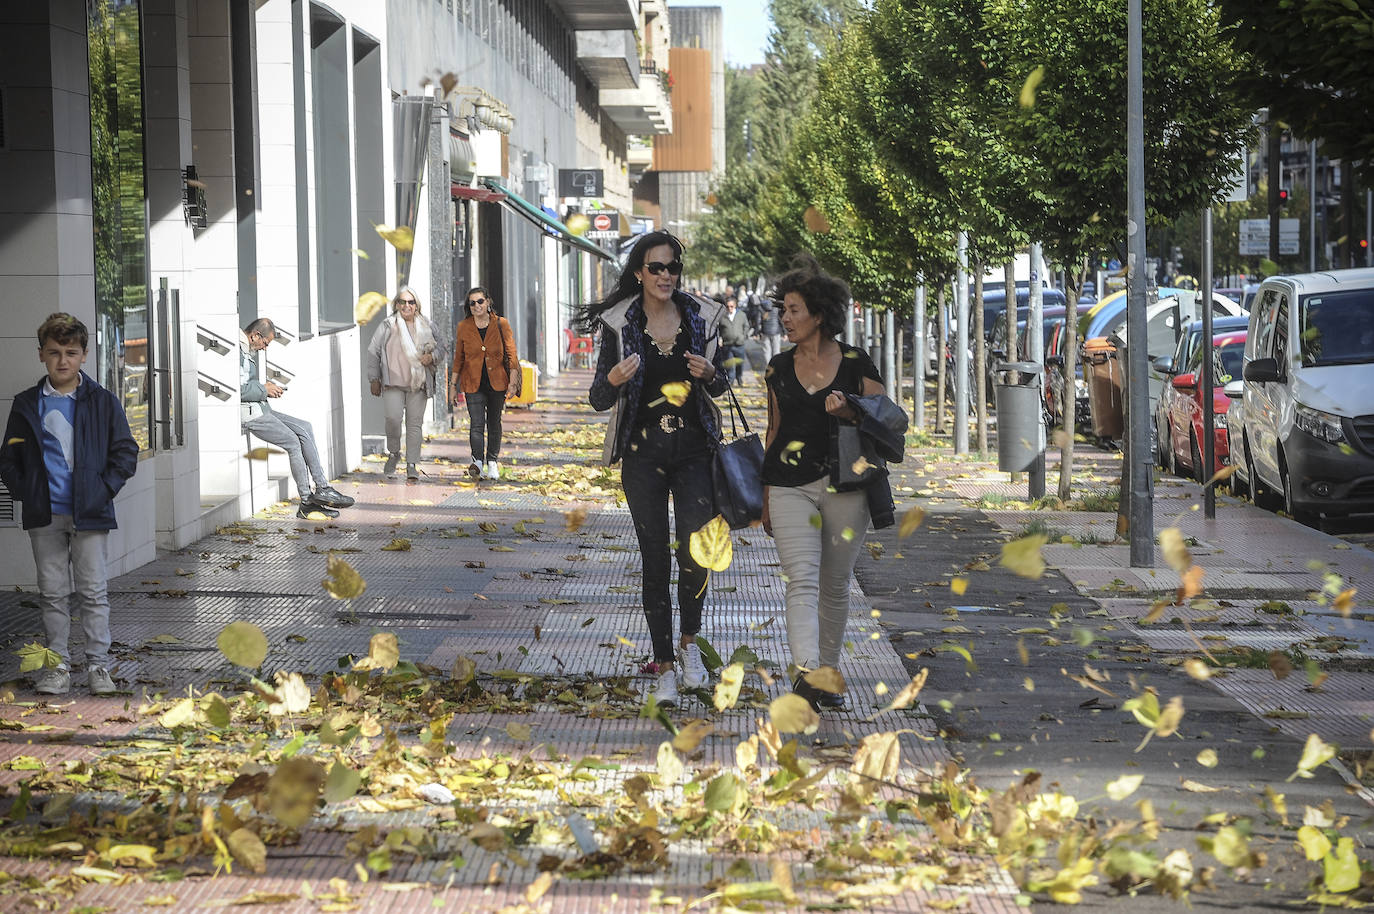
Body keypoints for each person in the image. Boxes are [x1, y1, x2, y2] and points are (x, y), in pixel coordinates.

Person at [584, 231, 728, 707]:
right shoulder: (620, 324)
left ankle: (690, 648)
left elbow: (722, 385)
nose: (666, 276)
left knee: (694, 552)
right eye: (657, 268)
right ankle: (664, 666)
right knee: (654, 558)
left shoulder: (700, 318)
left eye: (672, 268)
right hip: (643, 456)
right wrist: (612, 378)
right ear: (640, 273)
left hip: (694, 453)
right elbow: (597, 399)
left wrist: (712, 375)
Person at [761, 255, 885, 712]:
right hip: (789, 484)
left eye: (794, 309)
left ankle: (827, 675)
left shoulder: (856, 362)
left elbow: (887, 422)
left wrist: (851, 410)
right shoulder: (777, 367)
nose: (785, 318)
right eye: (784, 310)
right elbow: (773, 432)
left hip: (846, 486)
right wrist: (766, 497)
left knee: (835, 584)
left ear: (819, 314)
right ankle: (808, 671)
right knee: (802, 579)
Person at [0, 313, 139, 696]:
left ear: (84, 356)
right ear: (41, 355)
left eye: (71, 353)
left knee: (94, 592)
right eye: (55, 352)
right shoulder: (27, 403)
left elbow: (126, 450)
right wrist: (24, 490)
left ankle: (98, 667)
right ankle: (57, 666)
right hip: (45, 514)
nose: (63, 361)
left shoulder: (102, 401)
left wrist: (102, 489)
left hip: (90, 512)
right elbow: (9, 456)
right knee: (52, 593)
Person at [240, 318, 355, 518]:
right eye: (265, 343)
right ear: (255, 335)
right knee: (293, 442)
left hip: (260, 408)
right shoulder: (237, 350)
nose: (264, 349)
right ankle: (306, 501)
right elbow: (238, 390)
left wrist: (264, 388)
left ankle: (322, 487)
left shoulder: (246, 348)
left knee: (305, 428)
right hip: (250, 414)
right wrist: (263, 389)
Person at [366, 287, 445, 482]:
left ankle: (412, 464)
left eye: (410, 302)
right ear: (396, 305)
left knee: (414, 424)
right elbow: (373, 351)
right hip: (392, 383)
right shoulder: (387, 325)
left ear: (416, 305)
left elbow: (442, 348)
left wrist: (431, 357)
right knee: (392, 420)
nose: (406, 306)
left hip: (418, 384)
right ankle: (394, 453)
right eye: (402, 302)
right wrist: (374, 378)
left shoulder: (428, 325)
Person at [449, 286, 520, 480]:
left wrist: (513, 381)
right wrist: (452, 387)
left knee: (494, 423)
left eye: (480, 301)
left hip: (497, 381)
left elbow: (511, 354)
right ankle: (477, 462)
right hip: (473, 383)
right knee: (477, 424)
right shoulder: (464, 327)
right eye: (472, 303)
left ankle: (492, 462)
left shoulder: (501, 324)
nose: (476, 306)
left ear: (488, 302)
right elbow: (458, 359)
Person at [717, 295, 750, 384]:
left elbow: (746, 326)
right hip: (727, 344)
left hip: (739, 343)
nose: (729, 308)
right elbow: (718, 329)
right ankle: (731, 380)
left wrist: (743, 335)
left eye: (731, 306)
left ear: (735, 305)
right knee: (730, 364)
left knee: (739, 363)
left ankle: (739, 377)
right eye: (727, 306)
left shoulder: (741, 315)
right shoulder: (722, 316)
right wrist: (719, 339)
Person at [758, 295, 784, 369]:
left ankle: (769, 367)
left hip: (765, 332)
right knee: (776, 350)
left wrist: (757, 332)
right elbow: (780, 320)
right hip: (776, 332)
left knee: (767, 350)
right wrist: (784, 332)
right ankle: (777, 366)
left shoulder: (761, 307)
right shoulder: (776, 308)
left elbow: (758, 321)